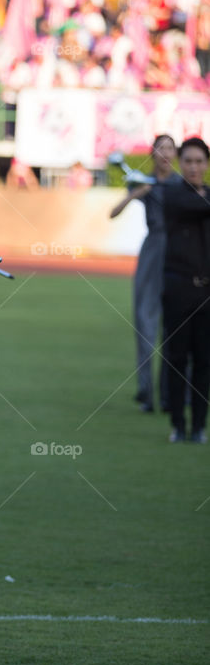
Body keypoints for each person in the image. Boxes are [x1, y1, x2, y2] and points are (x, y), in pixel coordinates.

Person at [109, 135, 178, 413]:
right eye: (160, 148)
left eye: (170, 148)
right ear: (153, 153)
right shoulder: (142, 182)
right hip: (152, 253)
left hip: (178, 253)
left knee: (176, 329)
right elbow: (113, 213)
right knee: (145, 324)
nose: (165, 153)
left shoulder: (182, 184)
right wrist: (136, 193)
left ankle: (171, 394)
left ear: (175, 154)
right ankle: (146, 392)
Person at [156, 137, 210, 443]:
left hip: (207, 293)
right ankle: (177, 423)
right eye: (188, 160)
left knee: (204, 361)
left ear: (206, 164)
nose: (193, 166)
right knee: (177, 359)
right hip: (178, 289)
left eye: (199, 161)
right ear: (180, 162)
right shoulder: (173, 195)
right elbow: (196, 206)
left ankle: (199, 426)